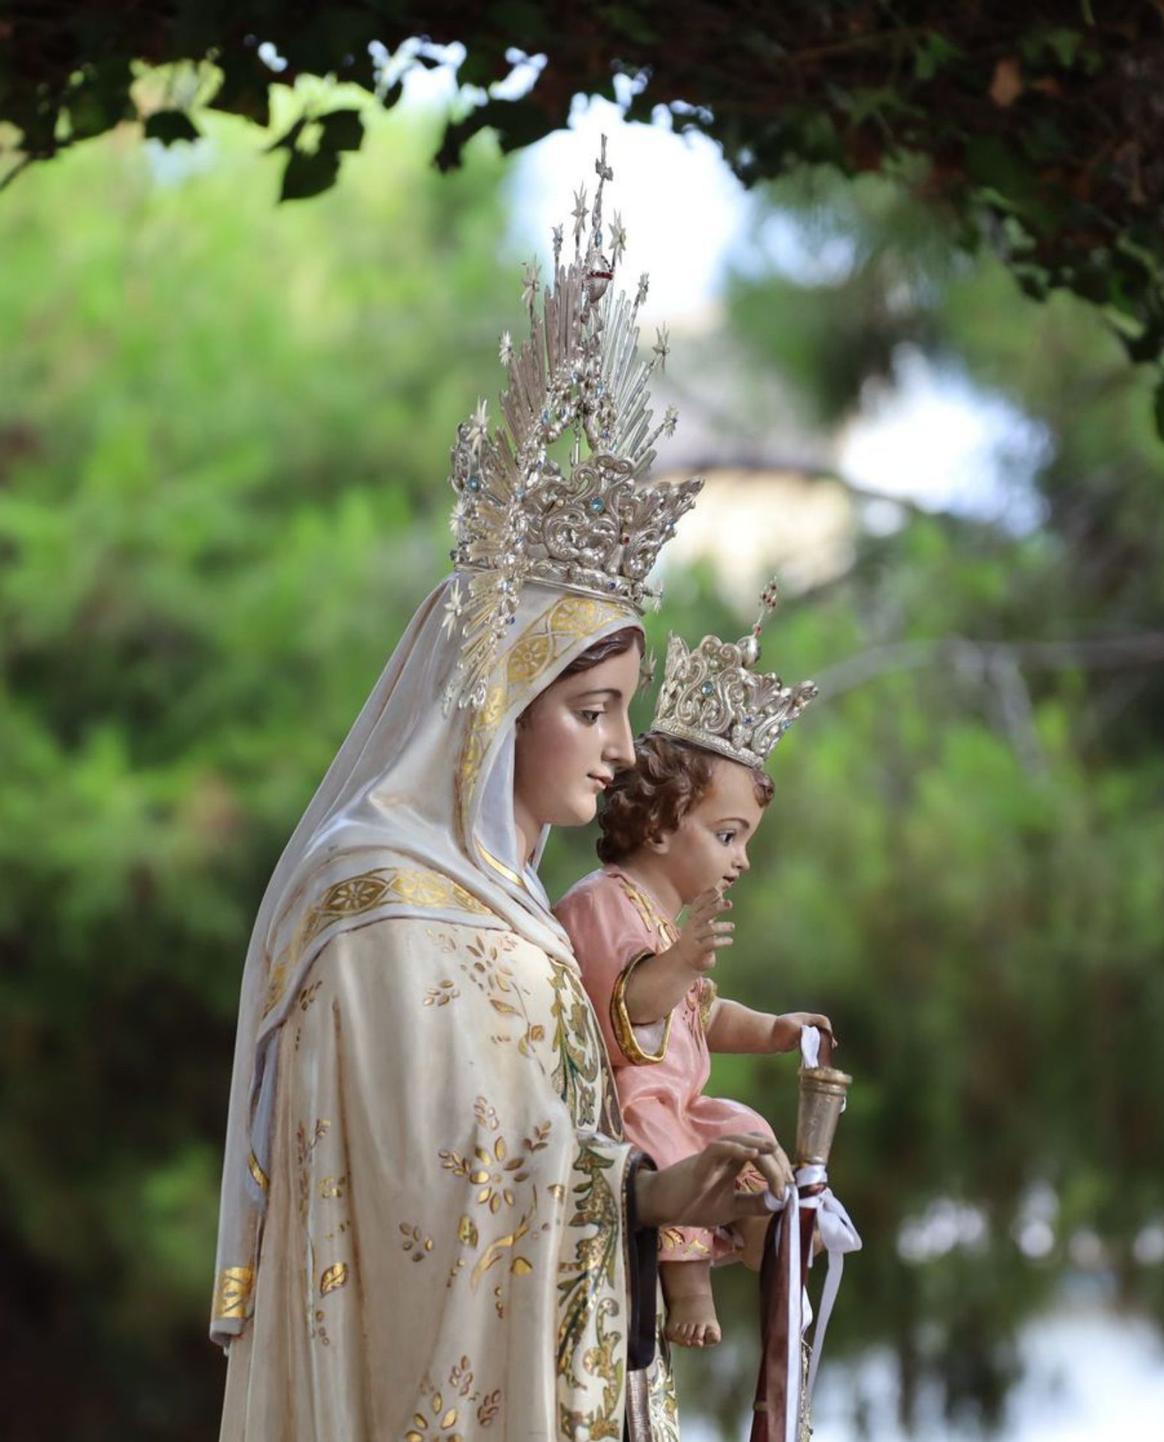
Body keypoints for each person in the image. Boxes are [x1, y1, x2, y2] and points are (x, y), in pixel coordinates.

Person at [211, 144, 794, 1442]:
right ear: (493, 706)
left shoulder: (517, 911)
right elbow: (420, 1203)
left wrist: (671, 1190)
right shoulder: (385, 897)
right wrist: (639, 1195)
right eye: (592, 710)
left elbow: (532, 1153)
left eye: (626, 709)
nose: (622, 749)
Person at [555, 592, 832, 1349]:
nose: (741, 860)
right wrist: (677, 963)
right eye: (728, 835)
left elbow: (701, 1013)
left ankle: (756, 1236)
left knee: (744, 1128)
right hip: (634, 1100)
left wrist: (774, 1031)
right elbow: (625, 1009)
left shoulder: (663, 917)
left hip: (683, 1098)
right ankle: (687, 1286)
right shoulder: (604, 903)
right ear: (661, 820)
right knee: (671, 1147)